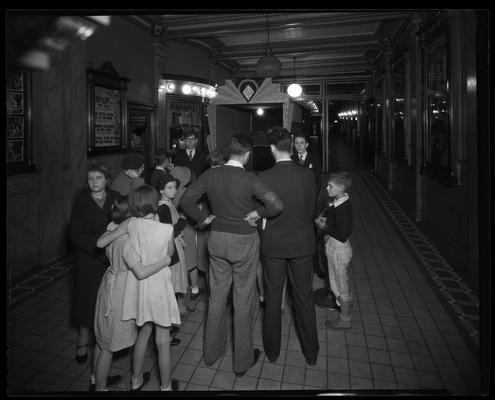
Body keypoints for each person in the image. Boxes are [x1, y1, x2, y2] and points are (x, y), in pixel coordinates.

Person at [179, 134, 284, 377]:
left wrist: (202, 218)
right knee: (243, 299)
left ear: (229, 153)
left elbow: (186, 199)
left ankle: (211, 354)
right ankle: (242, 361)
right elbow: (276, 205)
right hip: (244, 242)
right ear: (247, 155)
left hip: (217, 241)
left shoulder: (211, 174)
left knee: (216, 297)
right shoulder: (249, 178)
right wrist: (256, 215)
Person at [97, 185, 180, 391]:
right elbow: (169, 256)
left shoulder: (130, 223)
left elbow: (101, 243)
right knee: (162, 341)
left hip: (138, 287)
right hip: (158, 285)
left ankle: (135, 380)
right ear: (155, 203)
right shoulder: (167, 229)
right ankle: (166, 386)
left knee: (143, 334)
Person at [258, 128, 319, 365]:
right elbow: (310, 211)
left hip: (274, 245)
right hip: (302, 244)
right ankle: (311, 352)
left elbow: (262, 215)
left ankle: (272, 352)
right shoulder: (307, 175)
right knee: (304, 296)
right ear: (292, 147)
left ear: (272, 149)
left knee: (273, 297)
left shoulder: (263, 178)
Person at [69, 164, 121, 388]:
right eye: (90, 178)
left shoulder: (117, 197)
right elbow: (75, 234)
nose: (94, 182)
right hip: (90, 259)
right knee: (87, 302)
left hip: (113, 257)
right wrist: (97, 249)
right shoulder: (81, 203)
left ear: (107, 180)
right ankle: (82, 340)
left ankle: (101, 355)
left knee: (108, 305)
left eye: (98, 178)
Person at [315, 171, 354, 329]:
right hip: (334, 247)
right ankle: (346, 307)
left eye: (330, 186)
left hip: (339, 249)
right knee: (337, 282)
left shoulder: (343, 208)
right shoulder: (339, 200)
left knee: (339, 286)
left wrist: (325, 227)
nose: (326, 188)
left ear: (341, 188)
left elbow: (343, 234)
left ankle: (345, 319)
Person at [291, 132, 325, 279]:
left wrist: (310, 202)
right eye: (296, 143)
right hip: (294, 205)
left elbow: (318, 183)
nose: (299, 146)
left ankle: (316, 266)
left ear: (307, 145)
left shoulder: (314, 160)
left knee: (312, 235)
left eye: (302, 143)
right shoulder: (291, 160)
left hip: (310, 205)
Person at [156, 174, 189, 318]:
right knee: (171, 284)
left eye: (175, 187)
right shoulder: (163, 208)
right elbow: (168, 232)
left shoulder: (168, 205)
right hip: (172, 250)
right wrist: (182, 221)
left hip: (176, 246)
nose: (174, 190)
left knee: (174, 284)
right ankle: (169, 320)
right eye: (169, 188)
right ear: (161, 191)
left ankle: (175, 314)